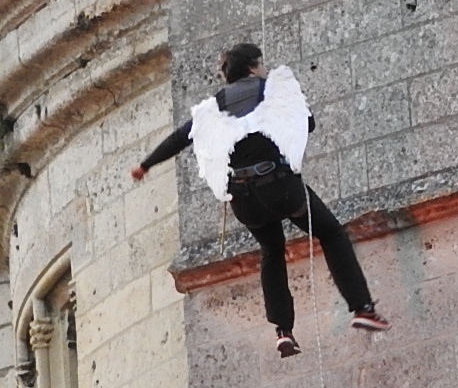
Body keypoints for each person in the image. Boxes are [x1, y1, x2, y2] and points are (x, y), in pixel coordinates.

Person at [132, 43, 390, 357]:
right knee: (331, 233)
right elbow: (308, 123)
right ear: (254, 67)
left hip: (244, 199)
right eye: (262, 64)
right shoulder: (272, 90)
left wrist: (145, 164)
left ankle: (283, 331)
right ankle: (362, 308)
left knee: (271, 249)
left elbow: (179, 138)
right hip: (280, 187)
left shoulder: (214, 106)